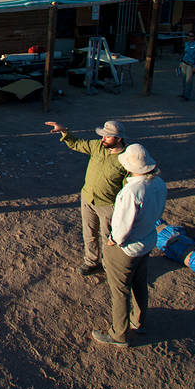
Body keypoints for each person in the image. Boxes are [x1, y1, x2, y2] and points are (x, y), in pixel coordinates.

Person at [92, 143, 167, 348]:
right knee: (139, 283)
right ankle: (139, 322)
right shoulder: (159, 183)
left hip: (126, 248)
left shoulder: (132, 190)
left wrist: (113, 240)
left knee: (120, 290)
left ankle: (119, 333)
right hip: (147, 241)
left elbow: (122, 225)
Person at [45, 119, 128, 278]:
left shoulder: (126, 159)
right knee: (89, 233)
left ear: (118, 138)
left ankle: (108, 265)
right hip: (88, 199)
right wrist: (64, 131)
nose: (103, 139)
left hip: (109, 205)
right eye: (103, 135)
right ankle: (91, 261)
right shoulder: (97, 146)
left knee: (108, 238)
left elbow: (128, 188)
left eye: (107, 137)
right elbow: (76, 143)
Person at [179, 30, 195, 100]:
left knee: (188, 81)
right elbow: (183, 53)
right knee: (183, 80)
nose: (189, 37)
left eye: (191, 36)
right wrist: (180, 63)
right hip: (184, 63)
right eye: (188, 35)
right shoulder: (186, 44)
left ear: (194, 37)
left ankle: (187, 96)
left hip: (191, 65)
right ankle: (183, 93)